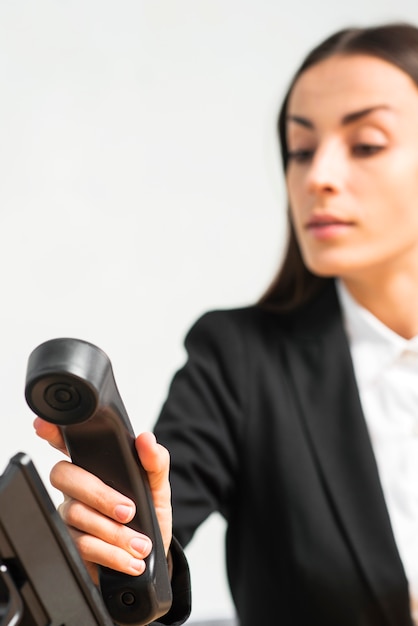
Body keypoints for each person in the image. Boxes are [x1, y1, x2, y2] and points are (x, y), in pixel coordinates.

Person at [34, 20, 418, 625]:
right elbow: (159, 513)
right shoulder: (239, 358)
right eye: (300, 150)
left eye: (366, 144)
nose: (317, 176)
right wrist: (119, 547)